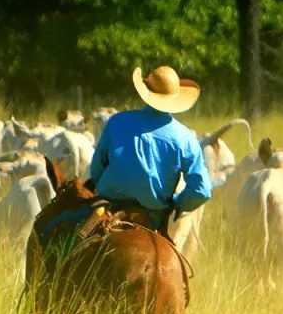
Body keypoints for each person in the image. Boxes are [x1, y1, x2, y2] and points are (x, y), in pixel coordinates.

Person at [89, 65, 212, 233]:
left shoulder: (117, 121)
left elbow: (96, 168)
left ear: (146, 91)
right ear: (175, 99)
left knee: (70, 243)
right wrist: (176, 204)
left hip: (108, 209)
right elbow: (201, 190)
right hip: (152, 218)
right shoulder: (186, 138)